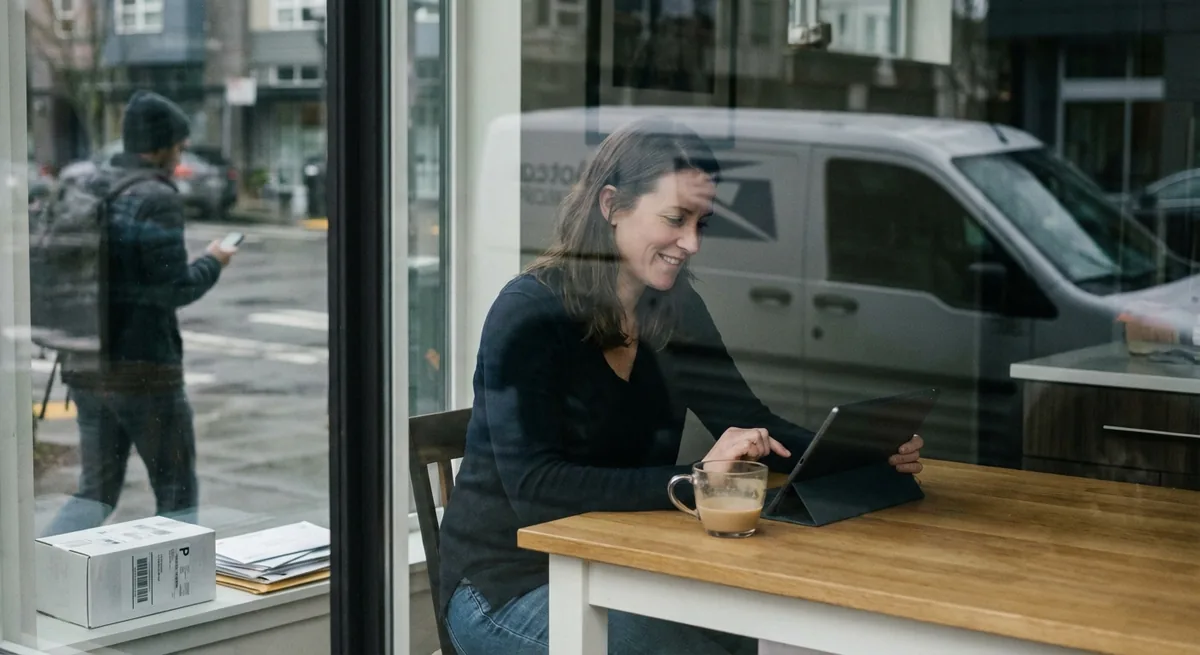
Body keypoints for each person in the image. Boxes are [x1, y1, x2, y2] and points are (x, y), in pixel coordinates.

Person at [438, 117, 924, 654]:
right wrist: (696, 480)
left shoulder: (675, 309)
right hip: (503, 588)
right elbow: (535, 491)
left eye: (701, 223)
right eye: (676, 218)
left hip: (620, 570)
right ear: (612, 206)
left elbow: (751, 422)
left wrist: (860, 452)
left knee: (742, 629)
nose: (691, 242)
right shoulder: (527, 315)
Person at [43, 91, 238, 536]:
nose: (181, 153)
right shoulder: (155, 197)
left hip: (86, 364)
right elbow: (175, 289)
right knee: (176, 493)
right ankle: (176, 597)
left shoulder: (86, 184)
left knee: (95, 491)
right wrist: (215, 260)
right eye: (179, 145)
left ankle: (43, 574)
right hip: (145, 372)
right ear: (162, 146)